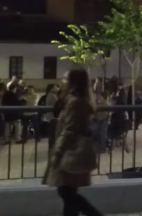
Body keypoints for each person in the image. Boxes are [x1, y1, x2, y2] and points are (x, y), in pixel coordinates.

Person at [43, 68, 103, 216]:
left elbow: (70, 130)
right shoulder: (73, 100)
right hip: (71, 151)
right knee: (68, 195)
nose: (63, 82)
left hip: (71, 152)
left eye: (65, 79)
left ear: (73, 82)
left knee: (65, 192)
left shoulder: (75, 102)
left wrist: (57, 152)